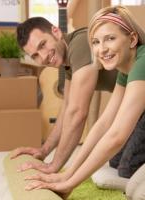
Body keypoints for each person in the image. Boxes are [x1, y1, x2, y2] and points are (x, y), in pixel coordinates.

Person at [23, 5, 145, 198]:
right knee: (118, 168)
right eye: (95, 42)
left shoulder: (142, 63)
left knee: (133, 185)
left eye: (110, 39)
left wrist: (68, 182)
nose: (101, 49)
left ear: (132, 39)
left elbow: (114, 134)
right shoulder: (125, 69)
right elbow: (104, 123)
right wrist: (67, 175)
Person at [11, 17, 117, 174]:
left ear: (56, 31)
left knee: (126, 167)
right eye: (35, 55)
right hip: (136, 102)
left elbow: (77, 113)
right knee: (116, 162)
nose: (43, 56)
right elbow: (67, 106)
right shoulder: (65, 60)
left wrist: (53, 166)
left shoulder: (81, 44)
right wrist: (44, 150)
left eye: (43, 45)